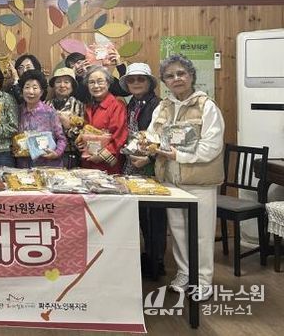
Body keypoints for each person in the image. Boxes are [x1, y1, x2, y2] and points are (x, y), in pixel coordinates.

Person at [145, 54, 224, 302]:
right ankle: (184, 273)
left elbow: (212, 147)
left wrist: (178, 155)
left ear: (191, 76)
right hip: (170, 178)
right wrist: (146, 147)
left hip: (199, 181)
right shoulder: (163, 106)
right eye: (170, 75)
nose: (176, 78)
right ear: (164, 81)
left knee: (201, 233)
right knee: (178, 230)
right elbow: (152, 135)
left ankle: (203, 280)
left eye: (181, 73)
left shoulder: (206, 106)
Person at [119, 63, 165, 278]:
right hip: (131, 164)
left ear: (149, 82)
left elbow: (164, 137)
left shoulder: (159, 106)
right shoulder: (132, 103)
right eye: (131, 79)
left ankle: (157, 263)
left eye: (141, 79)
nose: (136, 83)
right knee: (137, 214)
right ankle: (145, 258)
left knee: (152, 215)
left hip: (150, 166)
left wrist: (148, 158)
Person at [77, 65, 128, 174]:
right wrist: (81, 144)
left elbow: (119, 136)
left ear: (108, 84)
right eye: (91, 82)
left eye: (100, 81)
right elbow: (85, 131)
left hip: (108, 165)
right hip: (88, 162)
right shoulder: (88, 106)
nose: (96, 86)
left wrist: (101, 156)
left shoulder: (117, 105)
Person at [16, 70, 66, 168]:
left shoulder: (49, 112)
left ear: (41, 92)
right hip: (23, 166)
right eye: (27, 87)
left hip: (47, 165)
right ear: (22, 90)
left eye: (35, 88)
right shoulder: (17, 111)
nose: (30, 92)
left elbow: (61, 138)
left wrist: (56, 153)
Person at [47, 67, 84, 169]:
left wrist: (68, 127)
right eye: (58, 82)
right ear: (54, 85)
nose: (62, 85)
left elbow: (81, 136)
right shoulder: (46, 105)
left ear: (72, 86)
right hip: (48, 153)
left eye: (66, 82)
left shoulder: (78, 105)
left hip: (70, 154)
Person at [64, 51, 129, 102]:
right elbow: (81, 99)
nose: (77, 67)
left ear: (86, 61)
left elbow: (124, 91)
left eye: (79, 62)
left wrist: (119, 64)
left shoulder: (101, 76)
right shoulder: (71, 86)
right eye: (72, 67)